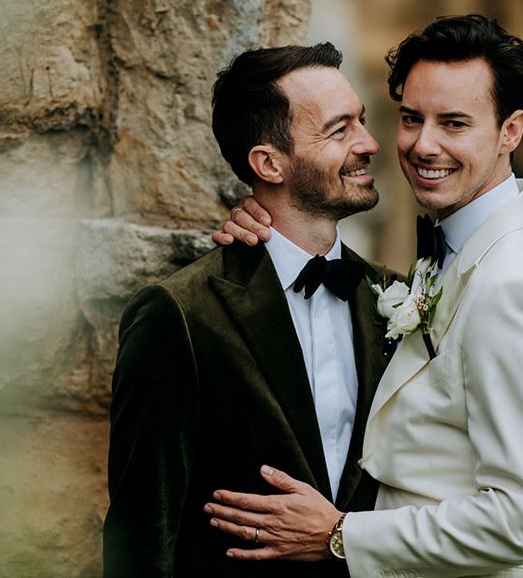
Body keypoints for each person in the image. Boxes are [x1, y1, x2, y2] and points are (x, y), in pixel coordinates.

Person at [205, 14, 523, 578]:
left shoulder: (515, 288)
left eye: (455, 123)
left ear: (512, 130)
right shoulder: (452, 249)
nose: (420, 145)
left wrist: (339, 535)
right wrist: (271, 237)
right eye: (412, 118)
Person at [102, 42, 392, 577]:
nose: (369, 143)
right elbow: (142, 536)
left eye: (362, 121)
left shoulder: (394, 301)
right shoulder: (181, 315)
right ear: (268, 163)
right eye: (339, 129)